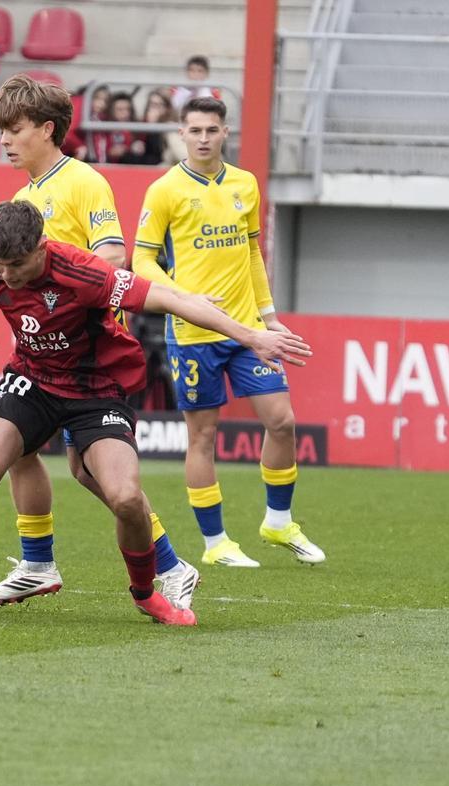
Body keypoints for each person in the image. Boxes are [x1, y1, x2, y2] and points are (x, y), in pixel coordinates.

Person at [0, 201, 312, 617]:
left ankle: (145, 591)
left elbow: (166, 299)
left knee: (125, 497)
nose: (5, 275)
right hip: (30, 379)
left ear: (39, 248)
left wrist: (252, 336)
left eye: (14, 264)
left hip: (96, 388)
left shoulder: (83, 272)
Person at [0, 74, 205, 610]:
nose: (4, 140)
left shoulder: (83, 182)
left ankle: (163, 564)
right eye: (1, 129)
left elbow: (114, 258)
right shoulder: (23, 196)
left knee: (88, 471)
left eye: (14, 128)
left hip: (91, 349)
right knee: (25, 446)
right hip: (48, 348)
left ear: (47, 130)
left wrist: (64, 293)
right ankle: (38, 562)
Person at [133, 96, 326, 568]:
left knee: (281, 421)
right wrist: (183, 297)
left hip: (247, 330)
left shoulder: (245, 184)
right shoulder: (165, 190)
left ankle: (278, 522)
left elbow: (252, 255)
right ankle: (216, 542)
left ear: (224, 133)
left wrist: (269, 315)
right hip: (193, 333)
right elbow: (141, 260)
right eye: (195, 130)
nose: (203, 138)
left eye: (211, 130)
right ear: (181, 133)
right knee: (202, 437)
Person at [90, 91, 145, 164]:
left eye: (128, 109)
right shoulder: (104, 128)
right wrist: (110, 152)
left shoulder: (137, 128)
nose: (126, 113)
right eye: (120, 110)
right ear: (111, 111)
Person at [140, 88, 181, 167]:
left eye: (156, 105)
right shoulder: (144, 123)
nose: (152, 109)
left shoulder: (171, 127)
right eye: (150, 105)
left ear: (167, 108)